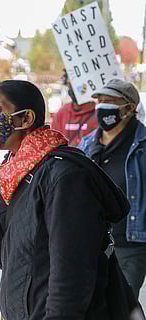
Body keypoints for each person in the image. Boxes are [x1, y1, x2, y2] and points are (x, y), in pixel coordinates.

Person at [0, 80, 133, 319]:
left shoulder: (66, 177)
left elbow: (71, 277)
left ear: (26, 118)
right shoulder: (14, 172)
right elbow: (9, 257)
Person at [79, 79, 146, 299]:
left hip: (129, 245)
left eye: (110, 101)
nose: (102, 107)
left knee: (121, 305)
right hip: (91, 240)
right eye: (100, 101)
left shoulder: (143, 145)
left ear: (129, 108)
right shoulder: (87, 144)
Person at [51, 70, 98, 146]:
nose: (72, 88)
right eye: (70, 85)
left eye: (76, 84)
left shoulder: (97, 114)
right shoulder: (62, 113)